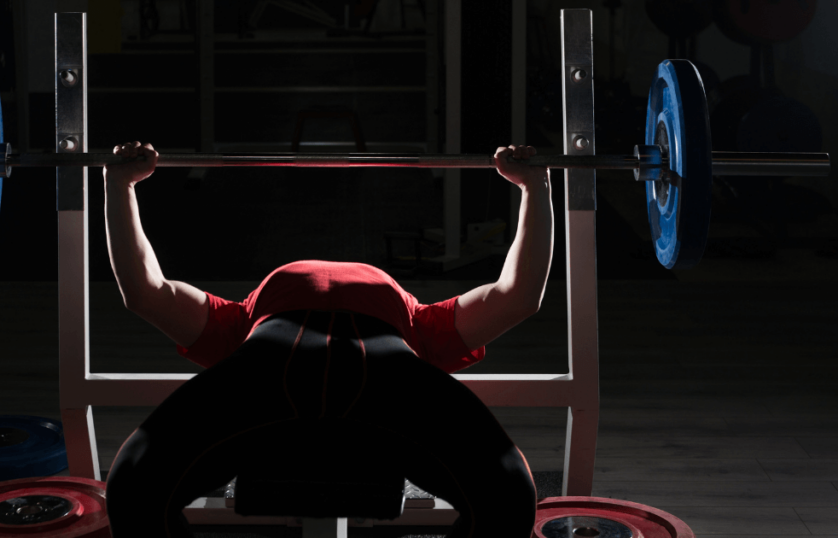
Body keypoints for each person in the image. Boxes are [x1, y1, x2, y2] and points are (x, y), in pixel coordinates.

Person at [102, 141, 554, 538]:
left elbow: (149, 293)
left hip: (272, 371)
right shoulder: (419, 322)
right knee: (508, 494)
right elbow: (515, 297)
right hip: (382, 378)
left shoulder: (237, 321)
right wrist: (534, 188)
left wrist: (120, 185)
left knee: (133, 487)